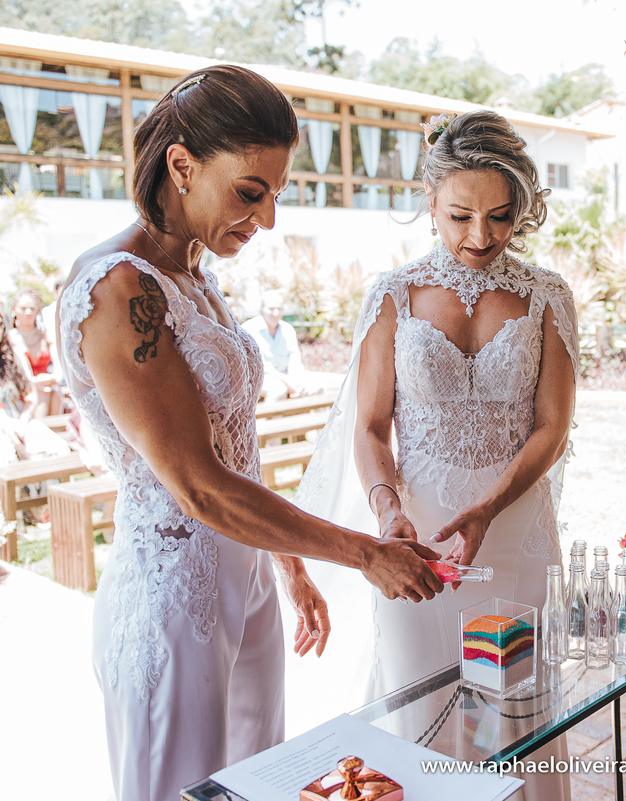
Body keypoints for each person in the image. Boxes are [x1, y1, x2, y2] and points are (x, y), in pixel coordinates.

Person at [58, 66, 446, 801]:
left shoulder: (194, 274)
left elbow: (237, 443)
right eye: (249, 192)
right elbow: (199, 485)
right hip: (173, 603)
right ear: (182, 166)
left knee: (259, 785)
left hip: (251, 585)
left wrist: (287, 568)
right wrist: (365, 553)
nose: (267, 219)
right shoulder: (118, 289)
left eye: (277, 193)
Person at [296, 109, 576, 800]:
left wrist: (487, 508)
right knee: (419, 706)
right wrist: (386, 510)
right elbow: (370, 428)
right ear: (430, 202)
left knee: (506, 715)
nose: (480, 236)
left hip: (512, 536)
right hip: (417, 546)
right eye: (460, 216)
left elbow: (551, 427)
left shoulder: (548, 296)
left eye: (501, 216)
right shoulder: (392, 296)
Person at [244, 290, 342, 402]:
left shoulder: (287, 329)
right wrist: (288, 383)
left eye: (279, 309)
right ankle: (270, 414)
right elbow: (262, 367)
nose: (275, 313)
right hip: (263, 377)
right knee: (278, 390)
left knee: (317, 386)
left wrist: (295, 381)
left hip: (289, 375)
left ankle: (313, 414)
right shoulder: (250, 329)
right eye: (271, 309)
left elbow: (295, 360)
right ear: (262, 309)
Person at [0, 310, 70, 465]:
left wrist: (22, 422)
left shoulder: (12, 358)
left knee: (58, 451)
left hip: (20, 420)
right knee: (7, 458)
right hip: (3, 428)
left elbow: (30, 396)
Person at [7, 289, 64, 417]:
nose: (28, 312)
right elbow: (25, 374)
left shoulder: (46, 335)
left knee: (55, 394)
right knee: (42, 392)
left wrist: (53, 378)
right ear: (14, 309)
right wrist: (35, 381)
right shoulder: (11, 337)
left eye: (32, 309)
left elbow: (58, 368)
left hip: (48, 385)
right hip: (23, 387)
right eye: (23, 308)